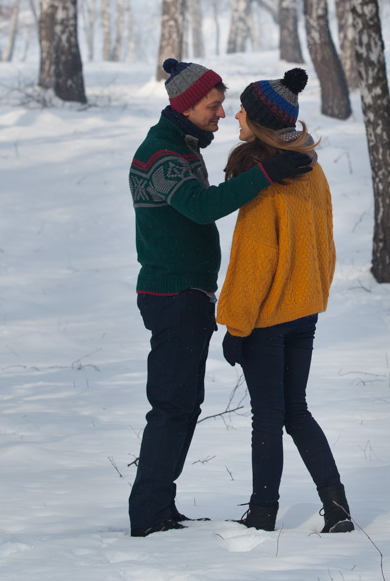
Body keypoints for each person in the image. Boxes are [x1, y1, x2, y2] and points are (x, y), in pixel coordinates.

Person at [127, 58, 313, 537]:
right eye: (213, 105)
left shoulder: (183, 147)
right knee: (172, 405)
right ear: (186, 106)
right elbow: (199, 207)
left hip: (187, 293)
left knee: (183, 404)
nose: (222, 113)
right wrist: (266, 172)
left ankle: (159, 506)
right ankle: (148, 513)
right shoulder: (162, 154)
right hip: (173, 293)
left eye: (223, 103)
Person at [216, 68, 353, 534]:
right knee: (296, 410)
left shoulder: (266, 181)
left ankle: (262, 513)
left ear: (260, 123)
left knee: (268, 418)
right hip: (303, 311)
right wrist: (313, 295)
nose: (235, 115)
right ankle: (337, 506)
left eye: (242, 110)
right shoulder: (311, 168)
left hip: (267, 318)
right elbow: (325, 243)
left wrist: (236, 328)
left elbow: (253, 263)